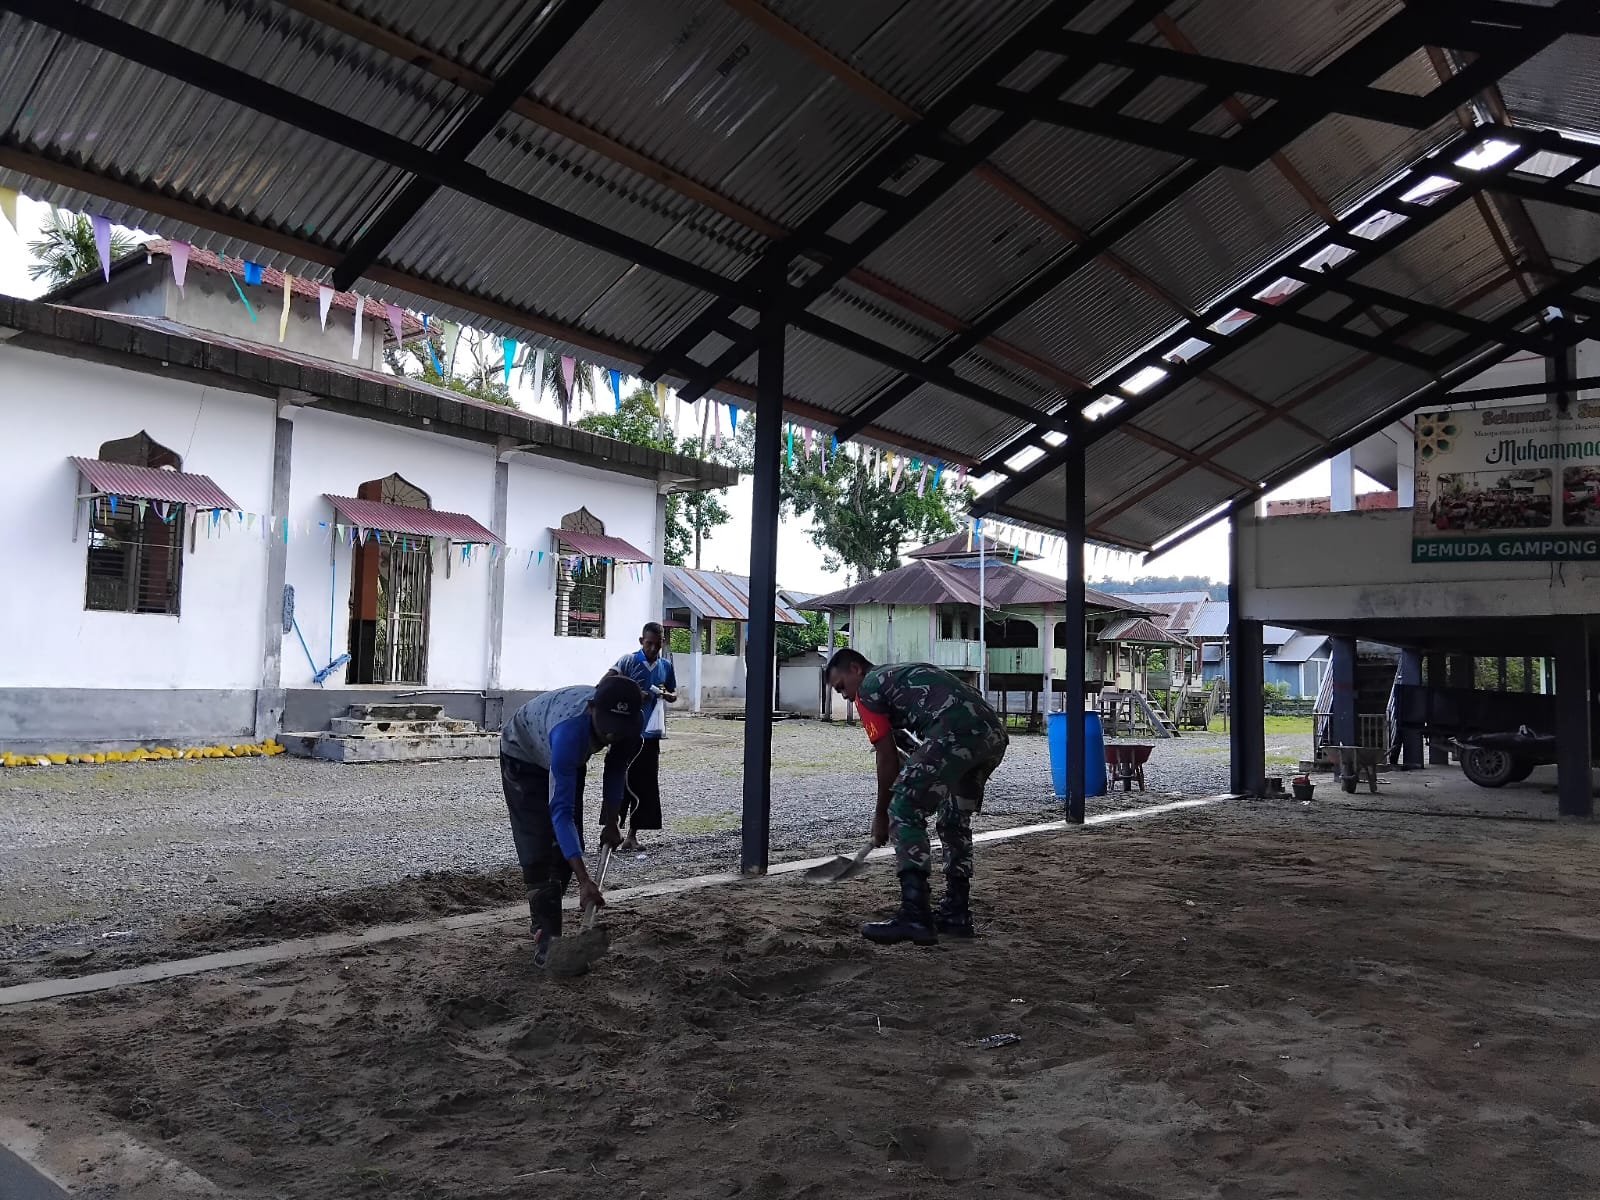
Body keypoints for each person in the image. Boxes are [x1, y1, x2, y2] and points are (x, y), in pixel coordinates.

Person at [825, 648, 1009, 946]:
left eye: (841, 687)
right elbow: (911, 748)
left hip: (954, 731)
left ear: (856, 669)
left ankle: (915, 914)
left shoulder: (869, 688)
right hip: (991, 736)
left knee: (903, 807)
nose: (845, 696)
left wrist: (881, 815)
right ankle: (956, 913)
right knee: (953, 820)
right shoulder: (898, 677)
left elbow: (887, 758)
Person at [499, 675, 644, 966]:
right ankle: (547, 938)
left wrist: (612, 821)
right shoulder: (569, 734)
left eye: (620, 729)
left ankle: (550, 915)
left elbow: (616, 768)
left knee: (568, 848)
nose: (612, 735)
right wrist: (585, 881)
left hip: (566, 755)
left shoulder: (630, 726)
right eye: (607, 727)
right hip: (523, 752)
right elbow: (561, 812)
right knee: (540, 849)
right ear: (591, 709)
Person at [607, 622, 678, 850]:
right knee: (618, 780)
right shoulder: (628, 661)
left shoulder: (665, 666)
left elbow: (673, 691)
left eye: (657, 645)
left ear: (662, 643)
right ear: (641, 641)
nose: (653, 649)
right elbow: (607, 682)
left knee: (644, 784)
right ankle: (611, 830)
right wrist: (633, 692)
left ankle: (632, 834)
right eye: (649, 644)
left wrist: (667, 695)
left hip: (650, 734)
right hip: (625, 732)